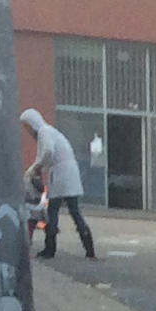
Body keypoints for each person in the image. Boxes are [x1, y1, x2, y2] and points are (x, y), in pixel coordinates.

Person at [20, 108, 95, 260]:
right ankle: (89, 250)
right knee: (75, 212)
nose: (27, 131)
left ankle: (50, 249)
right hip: (69, 174)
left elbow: (47, 152)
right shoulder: (50, 131)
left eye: (27, 126)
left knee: (52, 212)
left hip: (61, 175)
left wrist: (35, 168)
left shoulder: (44, 132)